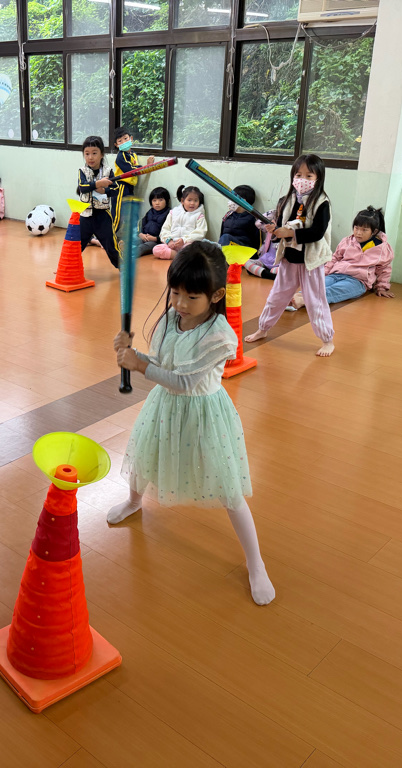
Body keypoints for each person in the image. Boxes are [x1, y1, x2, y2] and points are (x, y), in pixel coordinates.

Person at [111, 241, 275, 606]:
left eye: (191, 297)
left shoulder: (221, 336)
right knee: (145, 456)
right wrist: (132, 354)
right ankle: (133, 501)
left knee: (228, 488)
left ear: (216, 295)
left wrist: (139, 365)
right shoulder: (171, 319)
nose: (180, 304)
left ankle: (256, 563)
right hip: (165, 406)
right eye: (175, 293)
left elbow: (184, 382)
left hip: (203, 413)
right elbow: (163, 363)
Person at [243, 154, 335, 357]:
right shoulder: (287, 200)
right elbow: (280, 227)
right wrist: (275, 230)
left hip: (311, 262)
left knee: (315, 301)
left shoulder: (322, 202)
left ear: (318, 178)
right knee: (276, 297)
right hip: (289, 259)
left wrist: (291, 233)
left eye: (309, 175)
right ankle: (263, 328)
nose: (302, 179)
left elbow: (317, 233)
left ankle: (327, 340)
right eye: (298, 174)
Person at [288, 205, 394, 309]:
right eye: (356, 228)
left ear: (374, 231)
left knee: (334, 291)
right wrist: (324, 274)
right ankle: (295, 298)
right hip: (335, 274)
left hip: (358, 281)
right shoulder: (347, 241)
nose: (358, 233)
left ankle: (304, 301)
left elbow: (384, 269)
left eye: (364, 230)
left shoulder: (381, 248)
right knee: (316, 285)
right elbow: (335, 258)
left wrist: (382, 287)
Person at [76, 136, 120, 269]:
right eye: (87, 154)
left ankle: (123, 268)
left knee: (111, 245)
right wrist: (98, 184)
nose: (90, 157)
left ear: (101, 154)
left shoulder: (108, 171)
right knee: (75, 244)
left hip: (103, 216)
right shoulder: (82, 171)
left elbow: (116, 190)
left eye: (94, 153)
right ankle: (65, 267)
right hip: (85, 215)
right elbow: (82, 187)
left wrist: (104, 190)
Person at [108, 126, 154, 237]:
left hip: (129, 187)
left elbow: (135, 168)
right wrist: (146, 167)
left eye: (125, 138)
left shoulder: (132, 154)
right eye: (120, 141)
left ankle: (125, 237)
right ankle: (107, 238)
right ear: (116, 145)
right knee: (117, 215)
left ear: (131, 138)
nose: (124, 142)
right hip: (120, 187)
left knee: (130, 213)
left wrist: (146, 167)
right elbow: (131, 170)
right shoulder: (121, 156)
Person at [152, 186, 207, 261]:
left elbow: (200, 233)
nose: (192, 203)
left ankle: (180, 256)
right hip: (172, 245)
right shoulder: (173, 212)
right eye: (189, 200)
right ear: (182, 201)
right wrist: (169, 241)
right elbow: (165, 229)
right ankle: (179, 256)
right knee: (156, 249)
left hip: (188, 244)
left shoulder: (199, 215)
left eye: (196, 200)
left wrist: (184, 240)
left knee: (193, 250)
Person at [218, 185, 261, 249]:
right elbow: (221, 236)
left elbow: (256, 242)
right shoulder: (228, 215)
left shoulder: (252, 218)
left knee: (226, 237)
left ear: (243, 201)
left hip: (243, 249)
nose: (231, 201)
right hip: (228, 248)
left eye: (234, 198)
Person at [244, 211, 280, 280]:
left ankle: (262, 272)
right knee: (246, 262)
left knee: (276, 270)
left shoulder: (286, 231)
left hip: (279, 264)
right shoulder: (270, 230)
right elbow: (258, 223)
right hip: (265, 260)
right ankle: (268, 274)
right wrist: (275, 213)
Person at [137, 187, 171, 257]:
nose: (157, 203)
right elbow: (142, 224)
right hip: (144, 237)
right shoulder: (150, 212)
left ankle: (131, 254)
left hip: (155, 241)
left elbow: (168, 233)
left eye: (160, 200)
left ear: (167, 201)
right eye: (154, 200)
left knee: (143, 247)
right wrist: (141, 234)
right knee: (133, 241)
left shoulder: (169, 213)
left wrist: (155, 238)